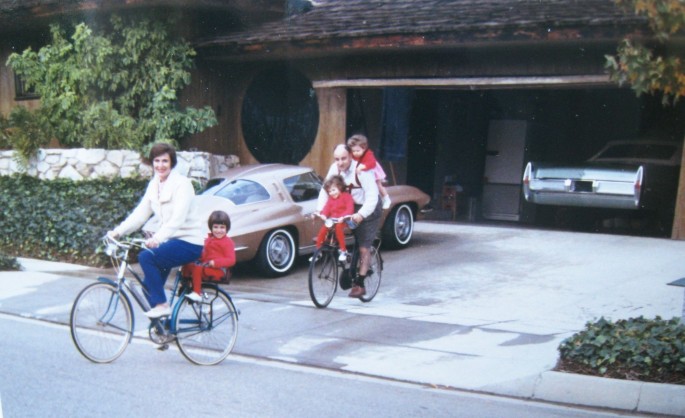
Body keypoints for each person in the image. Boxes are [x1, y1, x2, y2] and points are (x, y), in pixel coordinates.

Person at [108, 143, 205, 318]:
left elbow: (178, 219)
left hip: (189, 242)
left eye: (165, 161)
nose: (160, 165)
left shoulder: (182, 184)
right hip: (171, 241)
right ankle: (164, 330)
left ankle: (162, 305)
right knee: (149, 288)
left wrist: (157, 238)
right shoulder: (154, 185)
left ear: (172, 163)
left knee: (146, 257)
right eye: (157, 161)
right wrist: (117, 232)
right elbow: (140, 214)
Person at [317, 142, 382, 298]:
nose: (340, 163)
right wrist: (321, 211)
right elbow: (325, 191)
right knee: (335, 229)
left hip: (368, 208)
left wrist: (361, 215)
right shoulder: (335, 168)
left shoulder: (361, 170)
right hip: (349, 206)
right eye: (337, 159)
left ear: (351, 156)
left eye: (344, 159)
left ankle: (360, 284)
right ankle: (347, 257)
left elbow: (372, 197)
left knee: (364, 247)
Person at [186, 210, 236, 302]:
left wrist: (215, 262)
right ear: (211, 227)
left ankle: (197, 293)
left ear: (227, 228)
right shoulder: (209, 240)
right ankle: (187, 287)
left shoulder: (227, 242)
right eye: (215, 227)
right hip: (207, 267)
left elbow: (231, 260)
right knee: (187, 264)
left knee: (197, 268)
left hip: (219, 271)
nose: (218, 230)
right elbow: (204, 255)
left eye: (222, 227)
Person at [314, 175, 354, 262]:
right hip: (333, 220)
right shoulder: (330, 199)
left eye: (333, 190)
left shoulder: (346, 196)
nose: (332, 193)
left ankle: (343, 250)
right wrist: (324, 215)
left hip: (343, 219)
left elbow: (349, 208)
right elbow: (327, 208)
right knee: (322, 231)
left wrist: (343, 217)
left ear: (340, 187)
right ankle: (318, 251)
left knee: (339, 228)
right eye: (329, 191)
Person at [347, 134, 391, 209]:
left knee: (378, 185)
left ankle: (386, 199)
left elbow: (372, 163)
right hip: (362, 171)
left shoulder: (368, 154)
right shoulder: (353, 154)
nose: (355, 153)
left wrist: (363, 166)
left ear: (364, 148)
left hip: (372, 169)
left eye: (358, 151)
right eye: (353, 151)